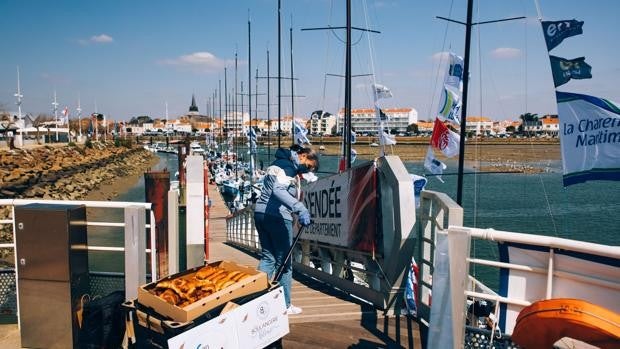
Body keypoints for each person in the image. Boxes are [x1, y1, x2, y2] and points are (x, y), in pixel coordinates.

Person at [254, 145, 319, 315]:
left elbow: (271, 188)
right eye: (309, 165)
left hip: (260, 213)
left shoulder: (277, 164)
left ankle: (256, 300)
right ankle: (285, 305)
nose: (308, 170)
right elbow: (278, 190)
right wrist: (300, 208)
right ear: (302, 156)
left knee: (268, 258)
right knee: (285, 263)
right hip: (277, 217)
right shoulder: (289, 167)